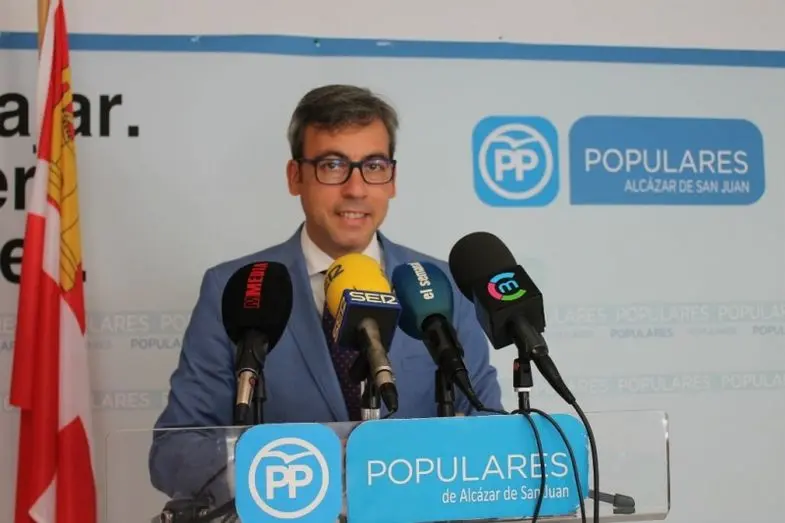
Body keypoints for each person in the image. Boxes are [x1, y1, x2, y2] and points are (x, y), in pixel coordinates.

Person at [148, 84, 503, 502]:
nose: (356, 189)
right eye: (332, 165)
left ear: (392, 179)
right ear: (295, 176)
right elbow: (175, 452)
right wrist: (297, 473)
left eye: (373, 166)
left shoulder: (442, 286)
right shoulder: (233, 288)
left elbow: (490, 432)